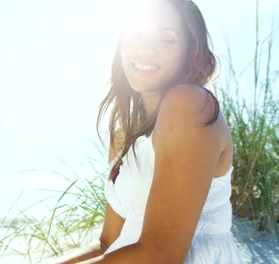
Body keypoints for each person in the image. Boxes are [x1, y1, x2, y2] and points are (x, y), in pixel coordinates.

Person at [56, 0, 243, 263]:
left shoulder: (189, 105)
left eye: (166, 39)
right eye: (137, 35)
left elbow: (161, 255)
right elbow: (108, 242)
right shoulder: (123, 135)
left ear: (190, 52)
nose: (145, 49)